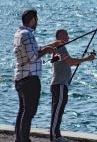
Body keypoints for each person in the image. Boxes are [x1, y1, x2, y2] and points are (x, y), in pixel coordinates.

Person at [13, 9, 64, 142]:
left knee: (23, 110)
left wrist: (50, 45)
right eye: (37, 19)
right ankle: (24, 139)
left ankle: (19, 139)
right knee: (29, 111)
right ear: (33, 20)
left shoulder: (19, 33)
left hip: (20, 77)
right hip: (30, 78)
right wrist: (47, 50)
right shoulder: (28, 35)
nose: (38, 22)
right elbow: (33, 56)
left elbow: (33, 50)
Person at [50, 29, 95, 142]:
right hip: (59, 84)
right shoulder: (61, 48)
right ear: (59, 37)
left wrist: (81, 60)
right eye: (66, 35)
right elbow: (70, 62)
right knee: (57, 111)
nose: (68, 38)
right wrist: (87, 59)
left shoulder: (58, 49)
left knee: (58, 111)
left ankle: (57, 135)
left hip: (60, 84)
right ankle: (55, 136)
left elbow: (67, 63)